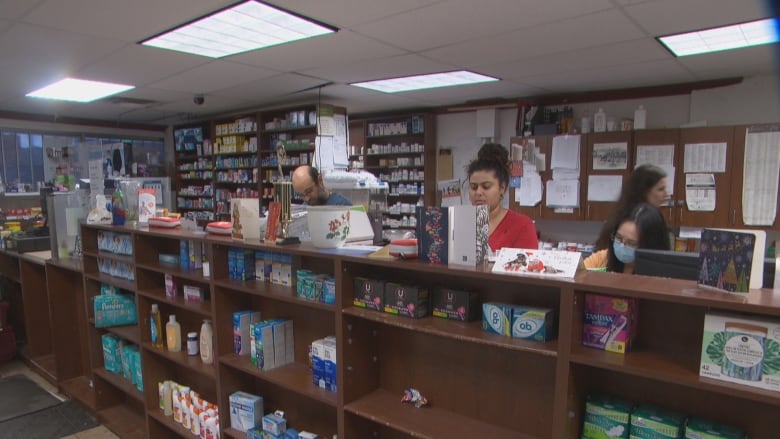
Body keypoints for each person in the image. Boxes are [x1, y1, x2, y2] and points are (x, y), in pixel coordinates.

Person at [467, 143, 538, 251]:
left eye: (486, 186)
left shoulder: (522, 226)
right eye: (473, 187)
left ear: (502, 188)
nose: (478, 192)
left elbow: (524, 266)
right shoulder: (460, 224)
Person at [594, 164, 670, 250]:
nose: (666, 194)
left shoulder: (653, 219)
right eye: (660, 189)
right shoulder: (628, 221)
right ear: (644, 191)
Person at [584, 203, 670, 273]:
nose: (622, 246)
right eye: (618, 238)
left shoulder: (662, 274)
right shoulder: (603, 258)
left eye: (631, 243)